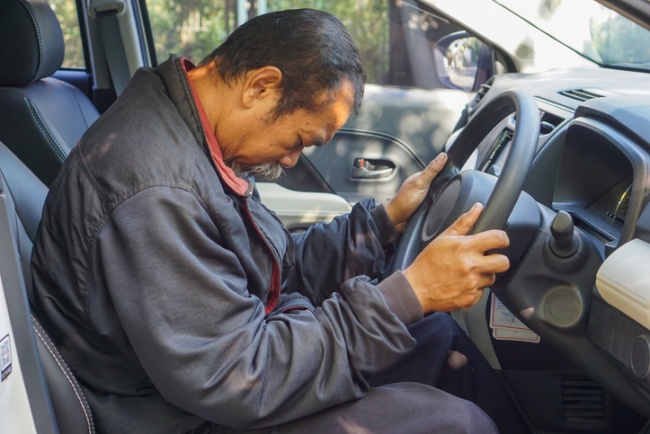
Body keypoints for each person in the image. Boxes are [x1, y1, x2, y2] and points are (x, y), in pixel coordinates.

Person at [31, 8, 525, 434]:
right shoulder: (157, 189)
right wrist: (407, 293)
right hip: (179, 416)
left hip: (226, 370)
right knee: (454, 424)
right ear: (261, 86)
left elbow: (271, 271)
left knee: (439, 341)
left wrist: (383, 223)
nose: (292, 161)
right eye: (300, 141)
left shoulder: (188, 132)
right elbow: (239, 379)